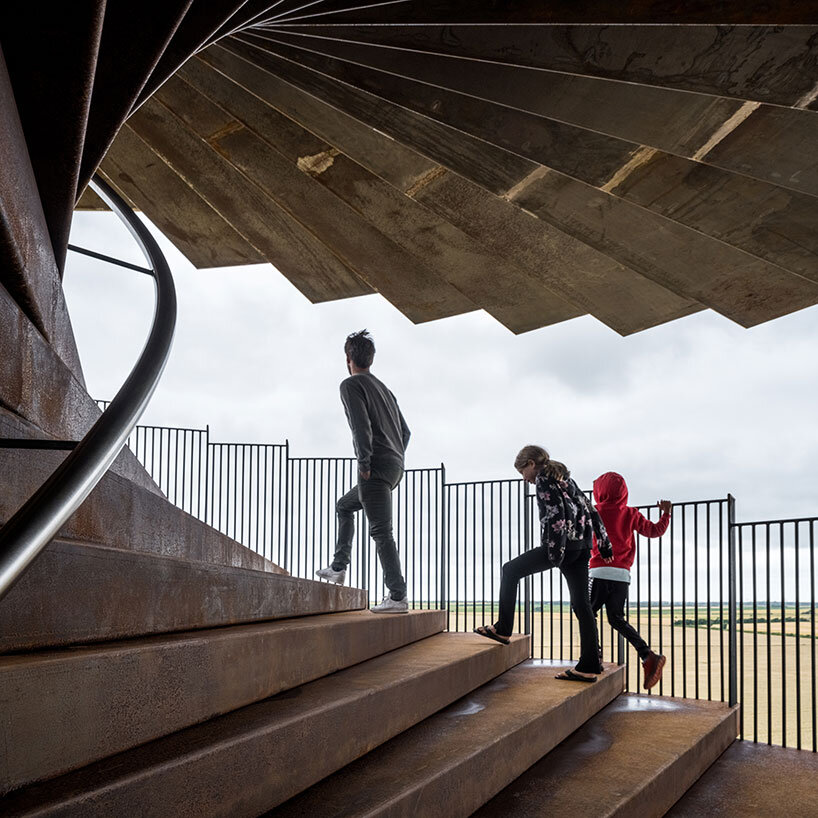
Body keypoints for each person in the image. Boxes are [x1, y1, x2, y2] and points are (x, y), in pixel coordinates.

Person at [475, 445, 613, 682]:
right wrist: (604, 544)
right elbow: (591, 511)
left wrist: (555, 553)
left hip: (560, 547)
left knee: (510, 570)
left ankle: (503, 629)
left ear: (531, 464)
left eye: (522, 472)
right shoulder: (566, 479)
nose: (524, 479)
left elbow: (555, 515)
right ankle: (589, 665)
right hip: (581, 548)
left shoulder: (543, 479)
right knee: (582, 605)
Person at [316, 330, 411, 613]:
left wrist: (365, 463)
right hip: (394, 468)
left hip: (375, 469)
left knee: (381, 532)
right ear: (371, 358)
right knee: (344, 506)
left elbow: (361, 427)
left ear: (348, 358)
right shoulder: (385, 390)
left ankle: (398, 596)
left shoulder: (351, 385)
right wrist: (395, 457)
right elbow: (405, 432)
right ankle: (338, 567)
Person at [590, 471, 671, 690]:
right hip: (621, 575)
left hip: (598, 572)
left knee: (586, 611)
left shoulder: (594, 512)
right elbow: (655, 531)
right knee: (616, 618)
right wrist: (666, 514)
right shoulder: (630, 513)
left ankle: (593, 656)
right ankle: (647, 655)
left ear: (599, 491)